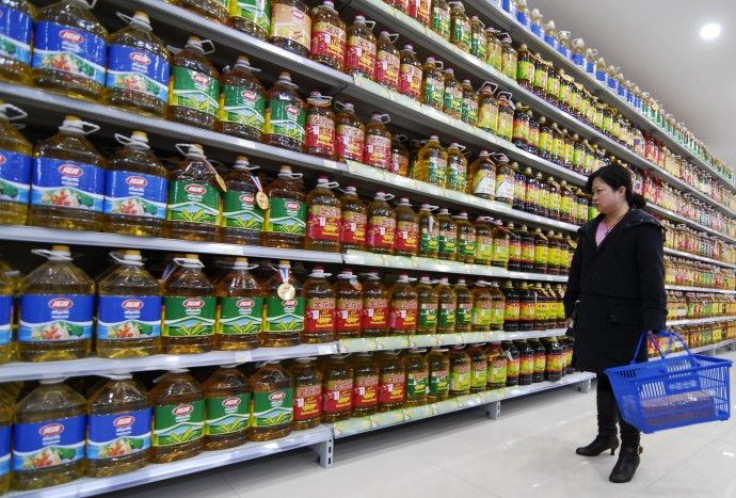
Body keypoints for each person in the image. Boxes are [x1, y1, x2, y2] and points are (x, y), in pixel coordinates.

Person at [563, 163, 667, 483]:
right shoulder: (590, 229)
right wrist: (570, 303)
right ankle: (607, 435)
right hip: (595, 315)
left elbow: (653, 277)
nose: (593, 197)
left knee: (627, 385)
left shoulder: (642, 227)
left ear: (622, 191)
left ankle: (630, 450)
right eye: (592, 192)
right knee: (603, 377)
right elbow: (577, 270)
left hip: (627, 321)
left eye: (599, 191)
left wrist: (654, 321)